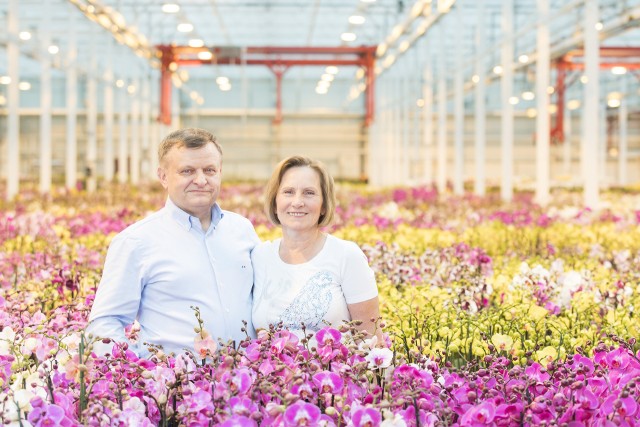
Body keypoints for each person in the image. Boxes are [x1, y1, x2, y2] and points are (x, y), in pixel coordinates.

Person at [87, 128, 259, 357]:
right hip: (176, 387)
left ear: (220, 172)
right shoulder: (136, 242)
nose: (200, 180)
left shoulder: (242, 230)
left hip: (247, 383)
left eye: (209, 170)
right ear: (163, 176)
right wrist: (138, 374)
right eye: (187, 171)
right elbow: (105, 324)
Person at [251, 155, 381, 342]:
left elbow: (371, 340)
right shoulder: (260, 257)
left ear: (323, 205)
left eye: (309, 193)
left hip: (333, 371)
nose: (297, 202)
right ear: (275, 201)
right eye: (288, 192)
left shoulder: (346, 256)